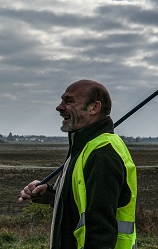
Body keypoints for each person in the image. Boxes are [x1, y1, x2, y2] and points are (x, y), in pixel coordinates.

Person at [19, 79, 137, 249]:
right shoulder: (84, 147)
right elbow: (80, 204)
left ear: (94, 108)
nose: (59, 107)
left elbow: (101, 232)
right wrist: (50, 194)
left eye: (69, 101)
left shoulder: (101, 154)